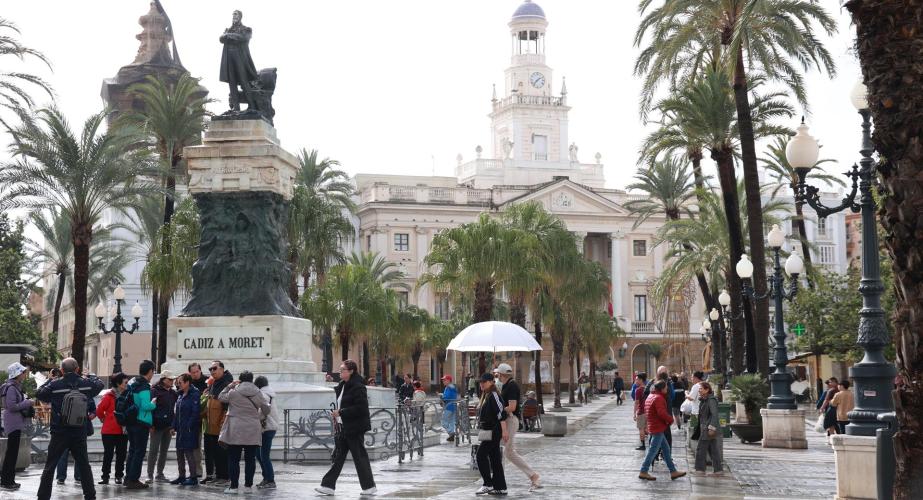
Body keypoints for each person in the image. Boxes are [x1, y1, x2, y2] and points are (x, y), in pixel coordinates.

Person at [36, 357, 104, 500]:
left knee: (50, 466)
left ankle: (43, 497)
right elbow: (100, 384)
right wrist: (89, 374)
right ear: (77, 369)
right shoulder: (86, 384)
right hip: (79, 431)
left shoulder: (55, 385)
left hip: (60, 432)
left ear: (61, 370)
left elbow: (39, 393)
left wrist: (50, 379)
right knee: (84, 465)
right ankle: (90, 496)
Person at [315, 360, 377, 496]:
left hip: (355, 427)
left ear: (351, 371)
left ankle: (369, 486)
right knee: (339, 457)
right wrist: (337, 415)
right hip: (344, 427)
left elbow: (361, 408)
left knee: (359, 457)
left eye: (343, 369)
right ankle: (328, 485)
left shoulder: (358, 386)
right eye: (341, 369)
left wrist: (341, 412)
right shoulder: (343, 385)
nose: (340, 371)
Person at [217, 370, 269, 494]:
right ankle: (248, 487)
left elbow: (220, 397)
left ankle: (234, 487)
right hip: (252, 428)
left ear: (240, 379)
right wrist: (259, 417)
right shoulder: (258, 393)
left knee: (234, 459)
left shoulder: (233, 392)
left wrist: (230, 385)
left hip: (235, 429)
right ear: (252, 380)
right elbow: (267, 409)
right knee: (250, 459)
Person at [494, 363, 540, 490]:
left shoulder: (512, 386)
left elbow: (512, 407)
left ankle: (498, 480)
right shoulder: (506, 385)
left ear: (502, 374)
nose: (497, 376)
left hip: (510, 420)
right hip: (508, 420)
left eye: (498, 374)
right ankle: (533, 475)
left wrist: (498, 410)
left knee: (502, 450)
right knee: (509, 452)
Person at [638, 380, 687, 481]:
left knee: (666, 449)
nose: (667, 389)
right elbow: (661, 413)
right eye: (665, 387)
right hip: (658, 428)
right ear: (661, 389)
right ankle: (643, 471)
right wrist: (670, 419)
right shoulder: (659, 398)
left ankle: (673, 471)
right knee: (653, 450)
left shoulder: (651, 396)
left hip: (654, 426)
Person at [124, 360, 158, 490]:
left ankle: (128, 478)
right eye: (153, 371)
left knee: (132, 450)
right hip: (141, 422)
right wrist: (153, 403)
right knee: (139, 451)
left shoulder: (133, 382)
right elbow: (144, 405)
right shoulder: (144, 386)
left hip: (132, 421)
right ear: (150, 371)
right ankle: (134, 479)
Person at [474, 372, 509, 496]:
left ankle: (487, 484)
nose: (481, 384)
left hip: (494, 430)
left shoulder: (494, 395)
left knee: (481, 455)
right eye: (480, 382)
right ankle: (500, 487)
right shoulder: (487, 395)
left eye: (484, 382)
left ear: (491, 382)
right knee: (495, 459)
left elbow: (501, 414)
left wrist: (504, 431)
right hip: (489, 430)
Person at [1, 362, 33, 490]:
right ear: (17, 374)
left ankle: (8, 480)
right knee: (11, 453)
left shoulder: (13, 386)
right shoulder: (11, 388)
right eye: (23, 372)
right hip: (13, 423)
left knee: (12, 453)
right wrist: (27, 402)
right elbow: (12, 406)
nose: (25, 374)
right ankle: (7, 481)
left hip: (14, 423)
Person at [95, 372, 129, 485]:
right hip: (109, 431)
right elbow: (99, 410)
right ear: (119, 383)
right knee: (108, 455)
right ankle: (105, 476)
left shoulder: (128, 395)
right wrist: (103, 418)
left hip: (122, 430)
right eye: (125, 382)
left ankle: (119, 476)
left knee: (121, 455)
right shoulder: (109, 396)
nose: (127, 384)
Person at [203, 360, 233, 485]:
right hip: (211, 425)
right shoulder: (214, 383)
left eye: (215, 368)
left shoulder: (226, 383)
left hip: (220, 424)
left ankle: (225, 477)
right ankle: (218, 475)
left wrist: (222, 423)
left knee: (222, 453)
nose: (212, 371)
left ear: (222, 369)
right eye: (210, 369)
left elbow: (227, 406)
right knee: (215, 453)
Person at [147, 370, 177, 483]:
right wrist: (151, 424)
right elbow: (151, 408)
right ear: (163, 379)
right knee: (153, 450)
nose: (172, 381)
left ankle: (160, 474)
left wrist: (173, 426)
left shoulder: (173, 393)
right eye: (170, 379)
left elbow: (175, 410)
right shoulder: (154, 391)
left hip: (168, 426)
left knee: (164, 451)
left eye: (172, 379)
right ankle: (150, 475)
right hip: (156, 426)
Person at [171, 373, 201, 487]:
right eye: (178, 383)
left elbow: (195, 412)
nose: (178, 385)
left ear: (187, 382)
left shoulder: (194, 394)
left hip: (189, 429)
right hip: (180, 429)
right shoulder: (180, 394)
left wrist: (188, 426)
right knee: (179, 453)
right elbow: (176, 412)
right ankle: (181, 476)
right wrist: (173, 426)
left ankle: (193, 477)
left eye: (180, 382)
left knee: (189, 453)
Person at [254, 375, 280, 489]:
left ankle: (270, 480)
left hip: (267, 428)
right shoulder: (268, 393)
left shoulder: (263, 395)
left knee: (264, 455)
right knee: (259, 454)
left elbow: (261, 412)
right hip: (268, 427)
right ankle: (266, 478)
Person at [693, 382, 722, 475]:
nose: (699, 390)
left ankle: (700, 469)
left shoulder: (711, 400)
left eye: (701, 388)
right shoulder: (704, 400)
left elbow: (715, 415)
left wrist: (712, 428)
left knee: (701, 449)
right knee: (713, 450)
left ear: (707, 390)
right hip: (705, 428)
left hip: (707, 429)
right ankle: (718, 470)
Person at [186, 363, 207, 480]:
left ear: (200, 370)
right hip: (195, 419)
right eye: (192, 372)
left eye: (197, 372)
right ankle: (197, 471)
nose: (195, 374)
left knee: (209, 447)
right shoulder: (188, 382)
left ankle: (212, 471)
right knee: (196, 447)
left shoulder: (208, 381)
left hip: (207, 418)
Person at [440, 375, 458, 441]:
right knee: (451, 422)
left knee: (443, 422)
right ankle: (451, 435)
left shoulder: (449, 387)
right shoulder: (452, 387)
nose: (443, 381)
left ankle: (451, 433)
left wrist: (442, 397)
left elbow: (447, 397)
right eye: (443, 380)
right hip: (453, 406)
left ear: (449, 380)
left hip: (449, 407)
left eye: (444, 380)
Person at [633, 372, 648, 450]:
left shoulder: (638, 390)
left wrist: (634, 414)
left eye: (636, 380)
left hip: (641, 412)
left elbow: (636, 403)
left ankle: (643, 445)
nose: (635, 381)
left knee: (641, 429)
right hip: (648, 412)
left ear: (641, 380)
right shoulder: (647, 388)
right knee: (647, 429)